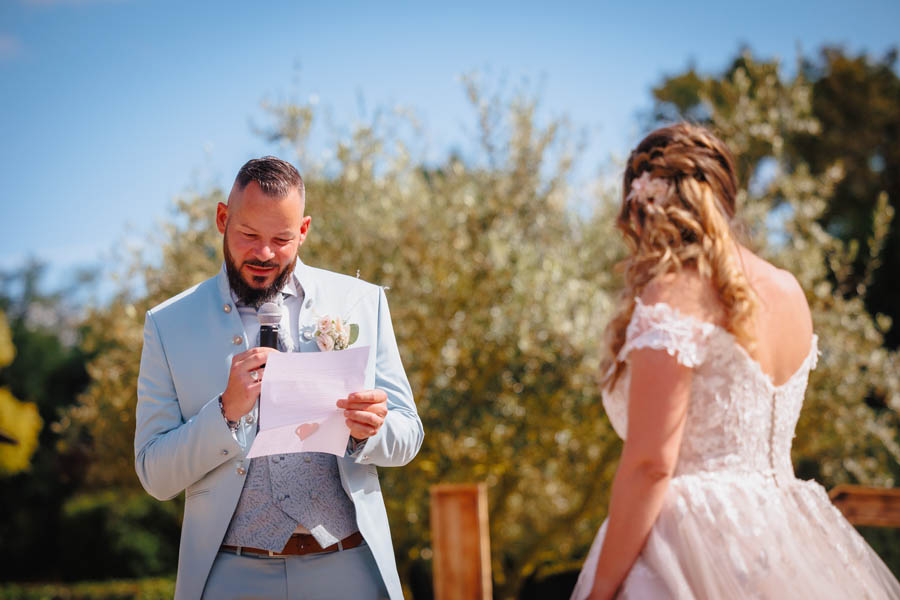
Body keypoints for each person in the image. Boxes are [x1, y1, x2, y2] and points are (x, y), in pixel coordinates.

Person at [571, 123, 900, 599]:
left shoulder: (674, 294)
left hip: (687, 544)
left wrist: (600, 591)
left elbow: (649, 465)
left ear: (642, 205)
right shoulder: (789, 290)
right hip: (788, 541)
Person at [134, 156, 423, 600]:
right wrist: (226, 413)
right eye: (249, 235)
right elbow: (154, 474)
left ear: (304, 231)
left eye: (282, 239)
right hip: (231, 575)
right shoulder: (168, 324)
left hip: (348, 568)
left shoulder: (360, 302)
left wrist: (372, 432)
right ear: (222, 218)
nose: (264, 253)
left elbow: (408, 434)